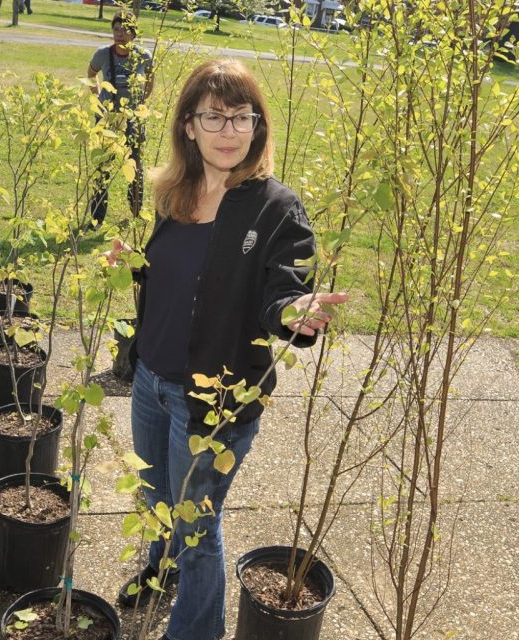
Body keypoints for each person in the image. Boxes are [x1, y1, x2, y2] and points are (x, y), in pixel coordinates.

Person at [110, 58, 349, 640]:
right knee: (154, 496)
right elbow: (178, 278)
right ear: (188, 126)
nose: (229, 131)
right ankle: (158, 569)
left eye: (242, 117)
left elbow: (281, 291)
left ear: (257, 127)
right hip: (150, 382)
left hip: (214, 402)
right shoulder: (175, 193)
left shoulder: (274, 208)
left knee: (196, 530)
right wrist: (133, 264)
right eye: (214, 117)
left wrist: (293, 313)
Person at [87, 12, 153, 227]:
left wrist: (140, 103)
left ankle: (135, 214)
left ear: (134, 33)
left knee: (134, 165)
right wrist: (97, 98)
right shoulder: (103, 54)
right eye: (116, 29)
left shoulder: (143, 56)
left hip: (133, 118)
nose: (120, 34)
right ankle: (97, 218)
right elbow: (91, 73)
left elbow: (151, 79)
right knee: (103, 166)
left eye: (125, 30)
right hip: (107, 118)